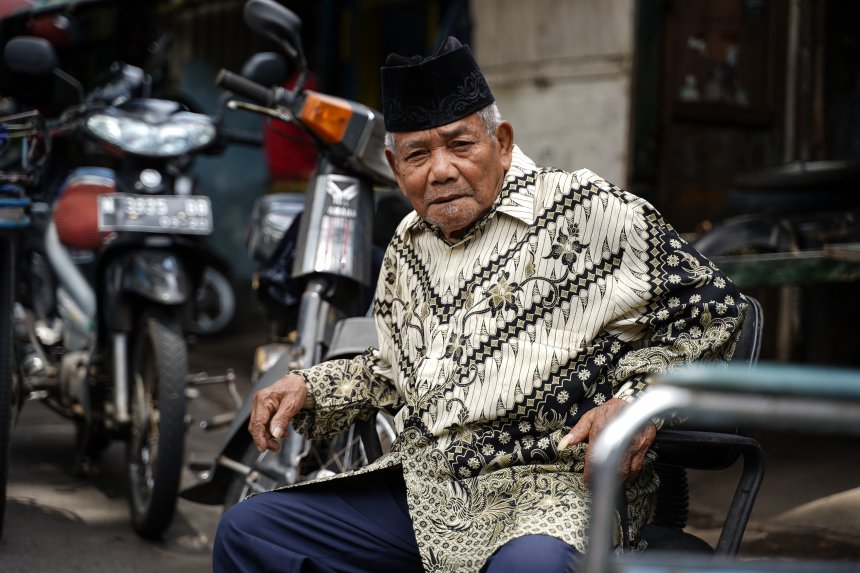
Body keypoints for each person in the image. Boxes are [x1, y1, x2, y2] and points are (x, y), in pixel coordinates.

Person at [213, 37, 747, 573]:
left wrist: (635, 403)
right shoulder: (407, 245)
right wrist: (311, 386)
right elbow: (395, 370)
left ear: (503, 142)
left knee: (529, 568)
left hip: (554, 490)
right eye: (418, 155)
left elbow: (716, 311)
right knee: (250, 533)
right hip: (429, 492)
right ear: (396, 170)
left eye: (459, 145)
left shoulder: (590, 212)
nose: (440, 170)